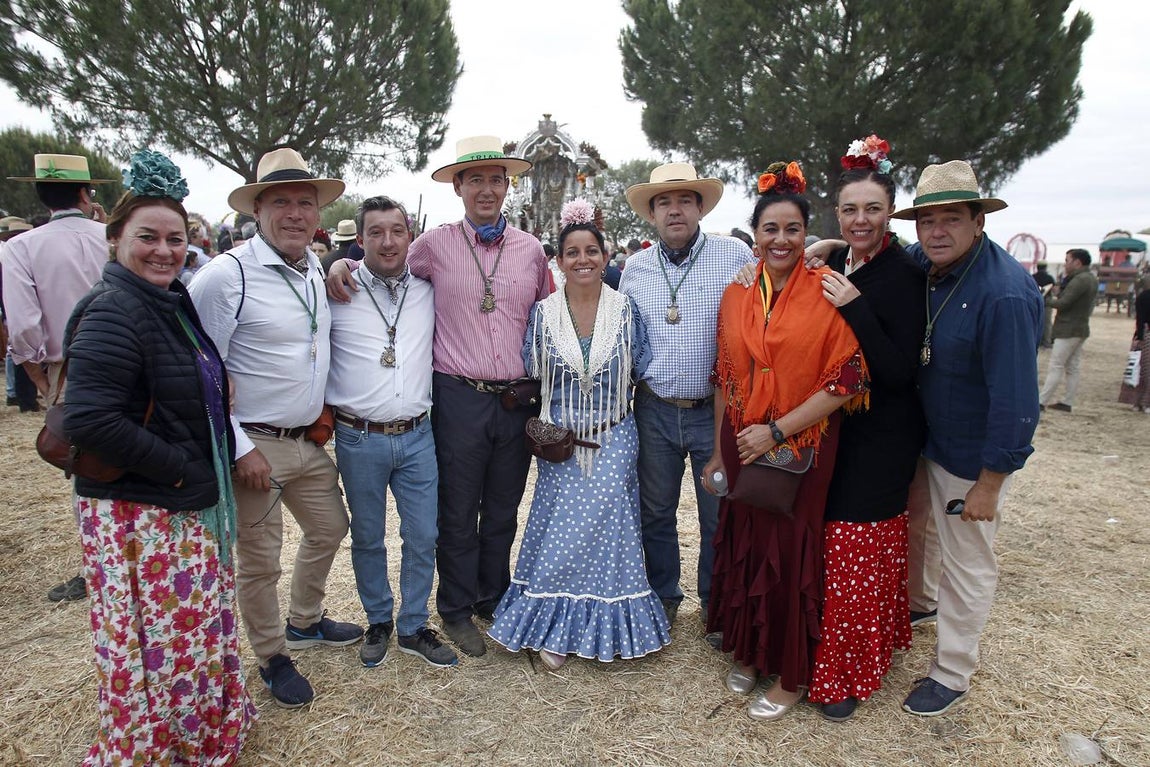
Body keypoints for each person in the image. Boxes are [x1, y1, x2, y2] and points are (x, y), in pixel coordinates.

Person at [63, 149, 255, 764]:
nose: (164, 251)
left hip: (172, 506)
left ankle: (192, 733)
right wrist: (184, 469)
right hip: (140, 513)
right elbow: (89, 420)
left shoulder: (165, 302)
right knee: (157, 642)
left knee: (184, 637)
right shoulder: (113, 310)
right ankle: (159, 745)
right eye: (147, 237)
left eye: (175, 239)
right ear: (116, 237)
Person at [327, 135, 549, 658]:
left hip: (516, 398)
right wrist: (339, 263)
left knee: (501, 508)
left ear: (507, 185)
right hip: (457, 396)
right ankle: (453, 608)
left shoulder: (532, 250)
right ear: (458, 187)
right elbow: (383, 265)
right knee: (456, 509)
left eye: (496, 178)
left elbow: (548, 317)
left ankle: (491, 597)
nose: (486, 189)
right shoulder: (433, 245)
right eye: (475, 179)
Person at [187, 147, 362, 709]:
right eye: (281, 201)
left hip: (307, 441)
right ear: (257, 209)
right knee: (259, 560)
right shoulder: (225, 275)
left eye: (304, 203)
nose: (294, 213)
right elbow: (199, 371)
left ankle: (305, 621)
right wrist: (239, 448)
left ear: (318, 214)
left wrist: (339, 264)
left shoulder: (314, 266)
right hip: (254, 445)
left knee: (330, 527)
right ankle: (271, 656)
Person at [701, 161, 868, 722]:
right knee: (746, 542)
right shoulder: (736, 293)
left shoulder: (829, 292)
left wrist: (775, 429)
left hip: (801, 446)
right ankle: (750, 654)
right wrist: (723, 449)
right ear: (756, 235)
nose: (781, 240)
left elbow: (847, 380)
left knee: (793, 554)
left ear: (806, 234)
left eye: (792, 229)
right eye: (770, 229)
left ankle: (793, 674)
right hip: (742, 439)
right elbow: (726, 375)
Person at [487, 199, 670, 669]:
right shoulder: (542, 314)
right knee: (559, 534)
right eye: (573, 252)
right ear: (559, 260)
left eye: (592, 251)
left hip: (614, 438)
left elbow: (644, 365)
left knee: (609, 533)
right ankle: (555, 625)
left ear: (606, 258)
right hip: (559, 443)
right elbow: (530, 365)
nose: (583, 259)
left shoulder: (627, 311)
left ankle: (604, 625)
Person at [892, 160, 1042, 716]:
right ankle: (924, 603)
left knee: (968, 559)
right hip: (929, 438)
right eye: (925, 219)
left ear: (978, 221)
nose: (935, 231)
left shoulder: (1003, 294)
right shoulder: (925, 263)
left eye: (950, 218)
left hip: (971, 454)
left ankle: (952, 672)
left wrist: (991, 482)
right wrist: (827, 245)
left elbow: (1017, 400)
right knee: (924, 535)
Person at [807, 136, 926, 722]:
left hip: (883, 439)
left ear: (890, 213)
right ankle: (861, 648)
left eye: (872, 209)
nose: (860, 219)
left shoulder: (900, 275)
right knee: (844, 549)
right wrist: (829, 250)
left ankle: (849, 674)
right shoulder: (844, 261)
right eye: (850, 210)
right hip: (843, 433)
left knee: (858, 548)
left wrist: (854, 306)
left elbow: (899, 373)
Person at [619, 163, 754, 632]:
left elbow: (769, 303)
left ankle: (715, 605)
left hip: (714, 411)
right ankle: (662, 596)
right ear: (652, 214)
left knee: (718, 510)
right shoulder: (634, 268)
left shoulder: (734, 254)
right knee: (655, 510)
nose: (674, 210)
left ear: (699, 206)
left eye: (684, 200)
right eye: (664, 202)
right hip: (654, 408)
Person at [326, 195, 458, 669]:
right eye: (376, 232)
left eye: (397, 231)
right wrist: (335, 266)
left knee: (423, 535)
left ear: (411, 235)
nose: (387, 241)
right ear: (359, 240)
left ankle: (412, 624)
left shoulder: (429, 288)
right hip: (358, 437)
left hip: (418, 435)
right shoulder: (335, 290)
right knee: (367, 537)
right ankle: (378, 620)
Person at [4, 152, 114, 602]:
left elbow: (25, 324)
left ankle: (97, 564)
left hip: (68, 368)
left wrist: (38, 374)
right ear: (86, 192)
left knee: (83, 462)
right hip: (133, 361)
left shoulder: (21, 247)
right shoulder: (113, 235)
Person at [1039, 249, 1098, 413]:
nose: (1065, 264)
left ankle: (1041, 401)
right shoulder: (1090, 278)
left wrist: (1045, 299)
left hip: (1068, 328)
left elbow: (1065, 303)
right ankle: (1067, 401)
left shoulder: (1079, 280)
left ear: (1077, 262)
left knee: (1056, 365)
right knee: (1072, 367)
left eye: (1067, 260)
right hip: (1080, 327)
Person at [1133, 286, 1150, 412]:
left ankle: (1137, 401)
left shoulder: (1143, 296)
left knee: (1141, 369)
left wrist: (1138, 336)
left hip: (1142, 334)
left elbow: (1139, 318)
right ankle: (1146, 402)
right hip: (1147, 334)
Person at [1033, 261, 1056, 348]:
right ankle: (1046, 341)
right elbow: (1054, 289)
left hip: (1034, 302)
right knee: (1047, 323)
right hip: (1046, 302)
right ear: (1046, 267)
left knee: (1035, 322)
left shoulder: (1032, 277)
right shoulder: (1049, 278)